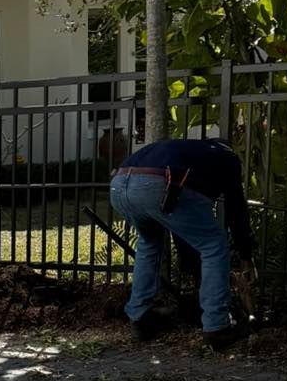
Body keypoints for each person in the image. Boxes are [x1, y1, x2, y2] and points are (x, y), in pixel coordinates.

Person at [110, 135, 256, 347]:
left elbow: (183, 225)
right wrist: (246, 255)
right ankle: (217, 327)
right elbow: (236, 209)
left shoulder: (187, 150)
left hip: (118, 185)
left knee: (149, 242)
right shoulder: (227, 157)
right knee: (213, 245)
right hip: (159, 183)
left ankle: (139, 316)